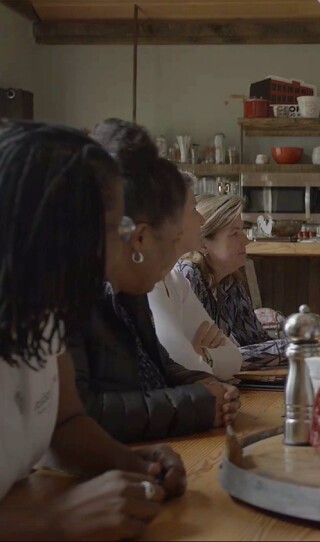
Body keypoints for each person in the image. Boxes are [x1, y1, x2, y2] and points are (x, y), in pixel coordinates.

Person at [0, 121, 186, 539]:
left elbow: (64, 424)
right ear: (55, 233)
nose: (127, 244)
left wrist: (131, 462)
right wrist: (54, 521)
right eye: (115, 229)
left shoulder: (48, 315)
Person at [67, 118, 240, 443]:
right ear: (141, 239)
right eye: (172, 242)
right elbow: (79, 416)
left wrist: (205, 384)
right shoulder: (73, 296)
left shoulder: (130, 293)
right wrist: (198, 404)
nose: (173, 263)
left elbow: (160, 365)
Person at [147, 172, 243, 381]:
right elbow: (182, 365)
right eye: (193, 210)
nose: (201, 219)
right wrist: (204, 367)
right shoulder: (150, 285)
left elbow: (235, 358)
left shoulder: (175, 281)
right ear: (171, 220)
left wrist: (203, 357)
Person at [177, 194, 287, 370]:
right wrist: (294, 349)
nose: (247, 240)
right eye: (235, 233)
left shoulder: (230, 282)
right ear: (203, 243)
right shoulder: (188, 275)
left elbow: (256, 343)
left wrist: (298, 347)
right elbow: (196, 359)